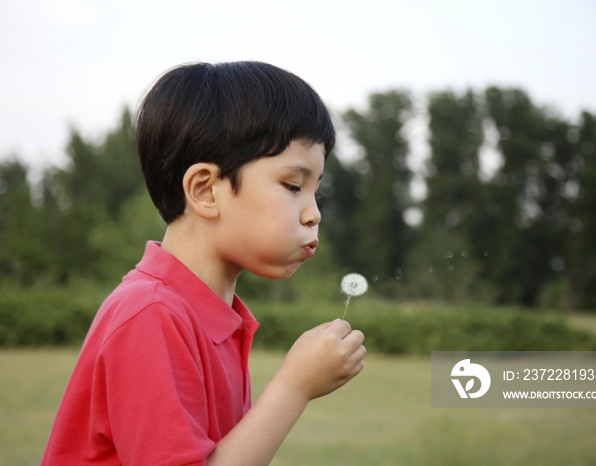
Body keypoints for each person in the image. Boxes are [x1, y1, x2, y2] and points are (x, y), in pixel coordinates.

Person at [40, 61, 366, 466]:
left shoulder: (212, 316)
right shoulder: (152, 315)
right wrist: (295, 386)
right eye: (293, 186)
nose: (313, 214)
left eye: (317, 191)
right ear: (205, 191)